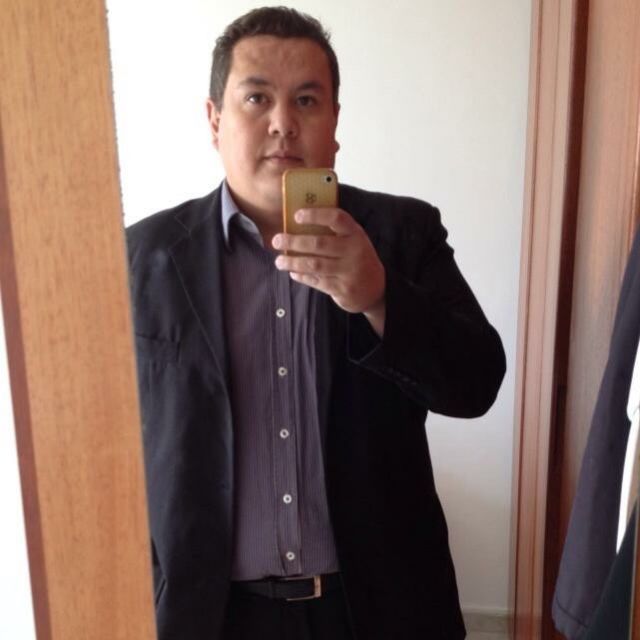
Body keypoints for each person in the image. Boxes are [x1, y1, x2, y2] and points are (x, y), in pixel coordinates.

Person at [126, 7, 506, 640]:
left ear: (334, 123)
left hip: (377, 611)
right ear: (215, 120)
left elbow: (477, 384)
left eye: (307, 99)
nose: (283, 122)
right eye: (257, 98)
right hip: (209, 615)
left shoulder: (401, 234)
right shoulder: (142, 257)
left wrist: (380, 297)